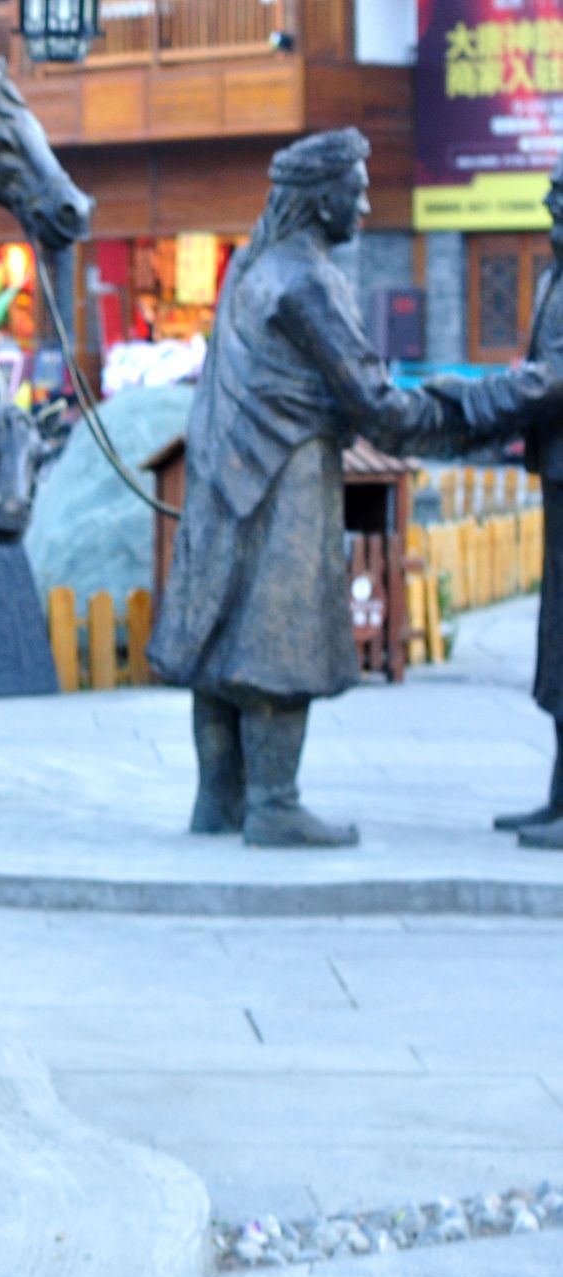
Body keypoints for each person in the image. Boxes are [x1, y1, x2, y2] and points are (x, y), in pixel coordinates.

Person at [148, 128, 563, 847]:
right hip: (285, 478)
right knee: (274, 633)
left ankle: (219, 799)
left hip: (229, 475)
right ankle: (273, 803)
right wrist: (464, 412)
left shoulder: (251, 264)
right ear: (320, 201)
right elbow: (376, 404)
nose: (366, 206)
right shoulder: (308, 281)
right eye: (356, 192)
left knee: (223, 627)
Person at [504, 157, 563, 851]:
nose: (552, 204)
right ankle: (558, 795)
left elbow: (554, 376)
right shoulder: (551, 279)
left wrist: (481, 401)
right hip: (556, 473)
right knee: (557, 637)